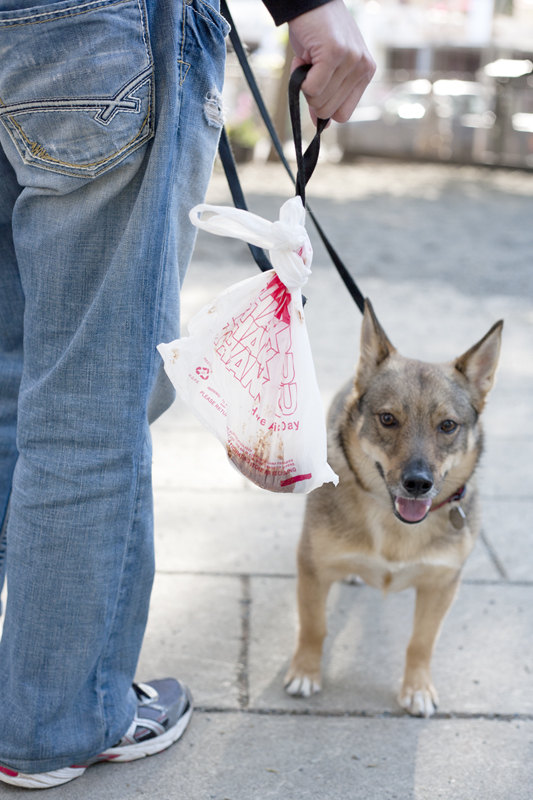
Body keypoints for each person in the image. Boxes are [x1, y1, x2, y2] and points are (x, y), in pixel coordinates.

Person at [0, 0, 375, 788]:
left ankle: (34, 689)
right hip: (100, 31)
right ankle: (57, 719)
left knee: (10, 382)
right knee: (90, 406)